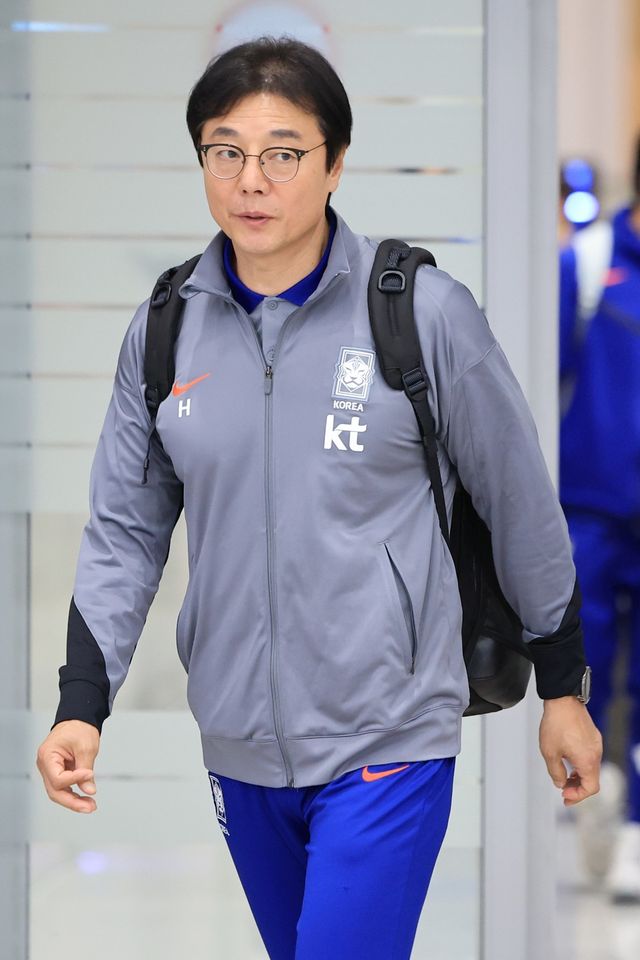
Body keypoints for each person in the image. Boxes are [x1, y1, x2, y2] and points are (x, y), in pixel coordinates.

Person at [36, 37, 601, 960]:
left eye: (283, 153)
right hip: (238, 739)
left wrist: (563, 684)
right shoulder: (167, 328)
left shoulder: (420, 312)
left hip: (391, 733)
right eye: (226, 152)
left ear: (335, 163)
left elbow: (520, 503)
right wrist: (80, 703)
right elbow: (123, 534)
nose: (251, 181)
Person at [559, 142, 640, 903]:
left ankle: (636, 832)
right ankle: (591, 798)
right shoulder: (587, 264)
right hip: (589, 511)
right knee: (584, 669)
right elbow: (541, 378)